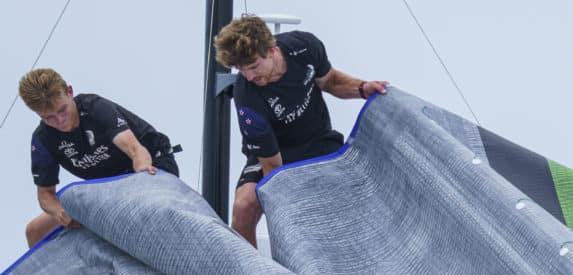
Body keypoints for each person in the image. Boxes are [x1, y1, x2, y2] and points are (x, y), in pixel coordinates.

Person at [213, 15, 389, 246]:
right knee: (244, 205)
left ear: (272, 50)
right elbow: (273, 169)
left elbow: (331, 81)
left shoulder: (304, 47)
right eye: (241, 70)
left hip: (317, 140)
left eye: (254, 66)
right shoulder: (247, 97)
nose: (249, 76)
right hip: (275, 153)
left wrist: (362, 88)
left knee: (354, 188)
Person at [19, 68, 179, 247]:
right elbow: (45, 194)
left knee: (136, 202)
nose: (60, 120)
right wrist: (60, 212)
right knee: (34, 230)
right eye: (49, 118)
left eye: (63, 110)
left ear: (70, 92)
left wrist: (143, 179)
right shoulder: (43, 139)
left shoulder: (93, 107)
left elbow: (135, 150)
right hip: (107, 187)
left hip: (149, 164)